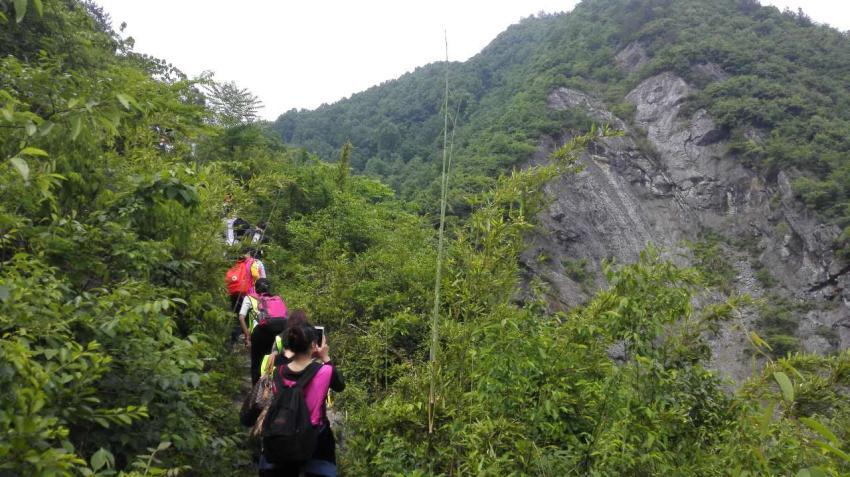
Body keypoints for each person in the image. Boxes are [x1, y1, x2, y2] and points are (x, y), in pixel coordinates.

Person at [259, 320, 344, 477]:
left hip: (284, 432)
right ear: (313, 345)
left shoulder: (279, 371)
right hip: (315, 437)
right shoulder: (325, 371)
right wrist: (326, 357)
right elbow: (340, 385)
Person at [240, 278, 288, 384]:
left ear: (256, 289)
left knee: (257, 363)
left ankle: (256, 392)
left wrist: (247, 336)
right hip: (279, 333)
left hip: (260, 333)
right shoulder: (277, 298)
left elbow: (241, 317)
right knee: (276, 360)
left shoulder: (249, 298)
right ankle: (275, 388)